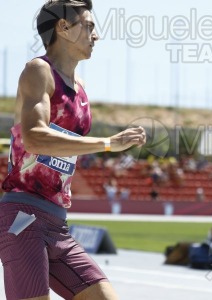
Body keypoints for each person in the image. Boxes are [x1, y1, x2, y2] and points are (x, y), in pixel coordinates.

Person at [0, 1, 146, 299]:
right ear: (63, 28)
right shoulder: (38, 71)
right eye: (89, 26)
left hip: (57, 222)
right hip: (23, 215)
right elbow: (35, 138)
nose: (96, 35)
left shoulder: (80, 88)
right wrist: (108, 143)